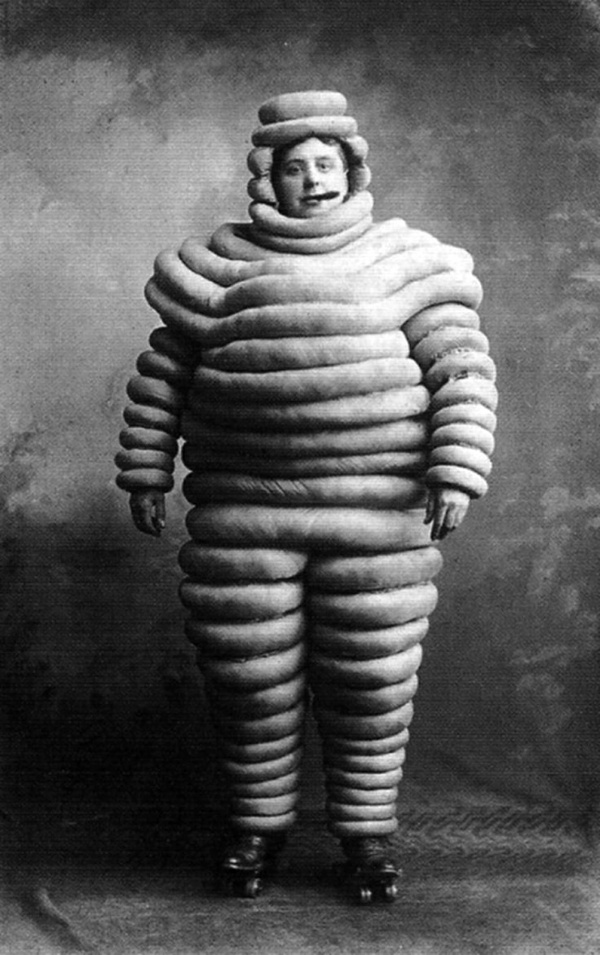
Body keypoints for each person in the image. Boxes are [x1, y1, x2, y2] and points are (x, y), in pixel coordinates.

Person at [116, 90, 496, 902]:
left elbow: (460, 372)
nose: (314, 180)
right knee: (250, 680)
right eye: (296, 168)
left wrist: (456, 467)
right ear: (268, 179)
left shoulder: (403, 262)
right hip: (242, 512)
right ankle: (256, 827)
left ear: (353, 171)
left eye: (327, 164)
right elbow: (162, 378)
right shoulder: (218, 270)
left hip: (378, 513)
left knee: (372, 680)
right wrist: (146, 468)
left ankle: (366, 835)